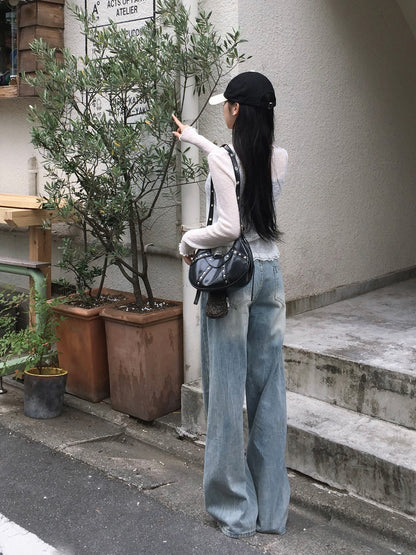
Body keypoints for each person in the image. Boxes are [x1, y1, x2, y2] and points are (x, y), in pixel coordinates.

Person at [172, 71, 290, 539]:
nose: (223, 109)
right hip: (270, 275)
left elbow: (227, 227)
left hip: (232, 282)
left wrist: (187, 241)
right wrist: (195, 137)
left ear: (236, 110)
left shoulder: (225, 159)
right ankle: (271, 513)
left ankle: (235, 513)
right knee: (268, 392)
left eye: (226, 104)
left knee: (224, 393)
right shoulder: (278, 156)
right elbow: (235, 167)